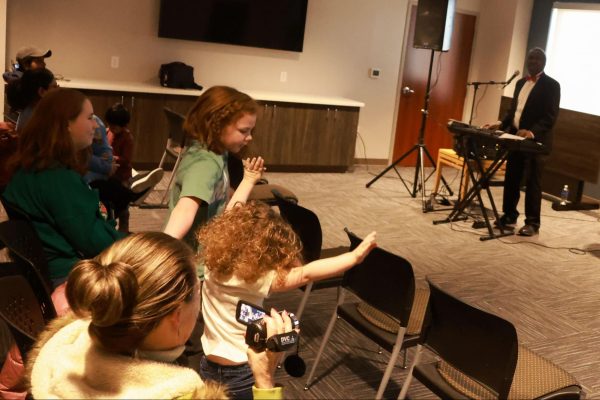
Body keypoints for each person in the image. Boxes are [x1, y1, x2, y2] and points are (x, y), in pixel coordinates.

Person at [27, 232, 289, 399]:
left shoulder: (60, 352)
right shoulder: (183, 393)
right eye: (197, 292)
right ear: (176, 315)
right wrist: (265, 379)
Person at [197, 201, 377, 399]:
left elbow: (230, 211)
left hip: (209, 361)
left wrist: (248, 180)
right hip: (244, 366)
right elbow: (305, 273)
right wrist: (353, 257)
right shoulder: (258, 279)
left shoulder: (210, 266)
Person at [1, 88, 126, 287]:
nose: (95, 125)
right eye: (90, 117)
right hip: (69, 276)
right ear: (66, 124)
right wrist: (136, 243)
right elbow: (97, 244)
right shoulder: (57, 179)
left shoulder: (31, 167)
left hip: (49, 271)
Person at [163, 85, 264, 270]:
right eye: (243, 131)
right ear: (216, 125)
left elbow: (221, 205)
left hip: (204, 257)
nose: (249, 138)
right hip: (193, 264)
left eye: (251, 131)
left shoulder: (217, 152)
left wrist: (247, 181)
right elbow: (184, 210)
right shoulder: (205, 164)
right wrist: (159, 253)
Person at [484, 47, 560, 236]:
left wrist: (532, 132)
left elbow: (550, 117)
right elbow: (513, 112)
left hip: (537, 143)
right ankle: (509, 215)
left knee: (533, 183)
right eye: (530, 58)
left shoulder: (552, 85)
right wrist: (500, 123)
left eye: (536, 59)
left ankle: (532, 223)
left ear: (543, 62)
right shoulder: (519, 83)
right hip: (516, 139)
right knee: (512, 178)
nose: (532, 62)